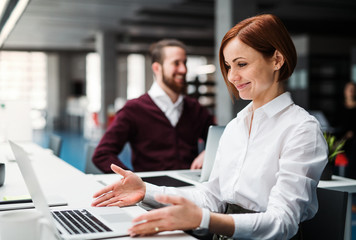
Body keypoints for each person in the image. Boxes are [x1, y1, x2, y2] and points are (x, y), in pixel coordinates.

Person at [91, 14, 327, 239]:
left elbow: (282, 222)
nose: (232, 77)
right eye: (228, 66)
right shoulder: (236, 127)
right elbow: (211, 196)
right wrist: (145, 191)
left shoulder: (301, 129)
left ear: (277, 59)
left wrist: (203, 220)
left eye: (241, 64)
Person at [92, 39, 215, 173]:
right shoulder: (133, 110)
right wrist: (131, 180)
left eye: (185, 63)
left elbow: (221, 141)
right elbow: (102, 154)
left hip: (191, 189)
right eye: (176, 63)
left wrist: (209, 153)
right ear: (157, 68)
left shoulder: (195, 109)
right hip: (152, 190)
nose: (183, 69)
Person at [339, 82, 356, 179]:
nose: (351, 92)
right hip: (342, 139)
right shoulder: (340, 107)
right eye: (349, 89)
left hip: (352, 140)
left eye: (353, 90)